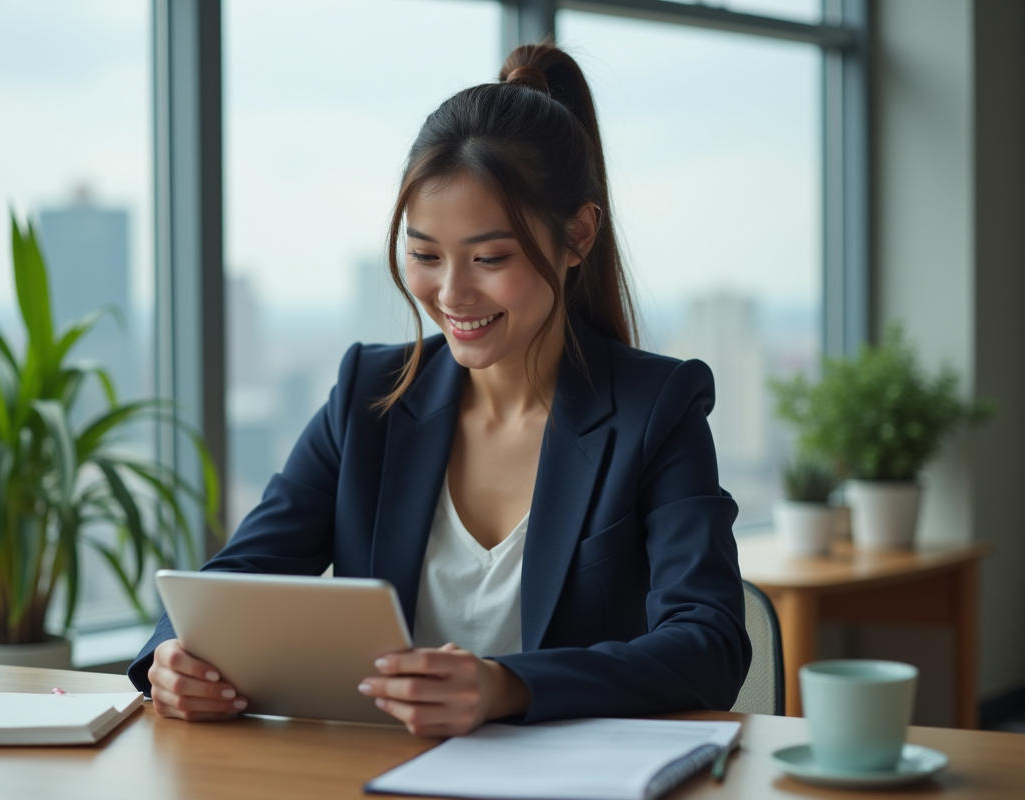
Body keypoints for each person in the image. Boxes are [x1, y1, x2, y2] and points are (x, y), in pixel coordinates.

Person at [128, 41, 751, 738]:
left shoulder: (655, 409)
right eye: (425, 255)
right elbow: (235, 579)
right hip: (382, 774)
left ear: (577, 235)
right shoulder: (370, 394)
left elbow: (710, 644)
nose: (451, 294)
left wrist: (507, 685)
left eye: (489, 257)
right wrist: (171, 658)